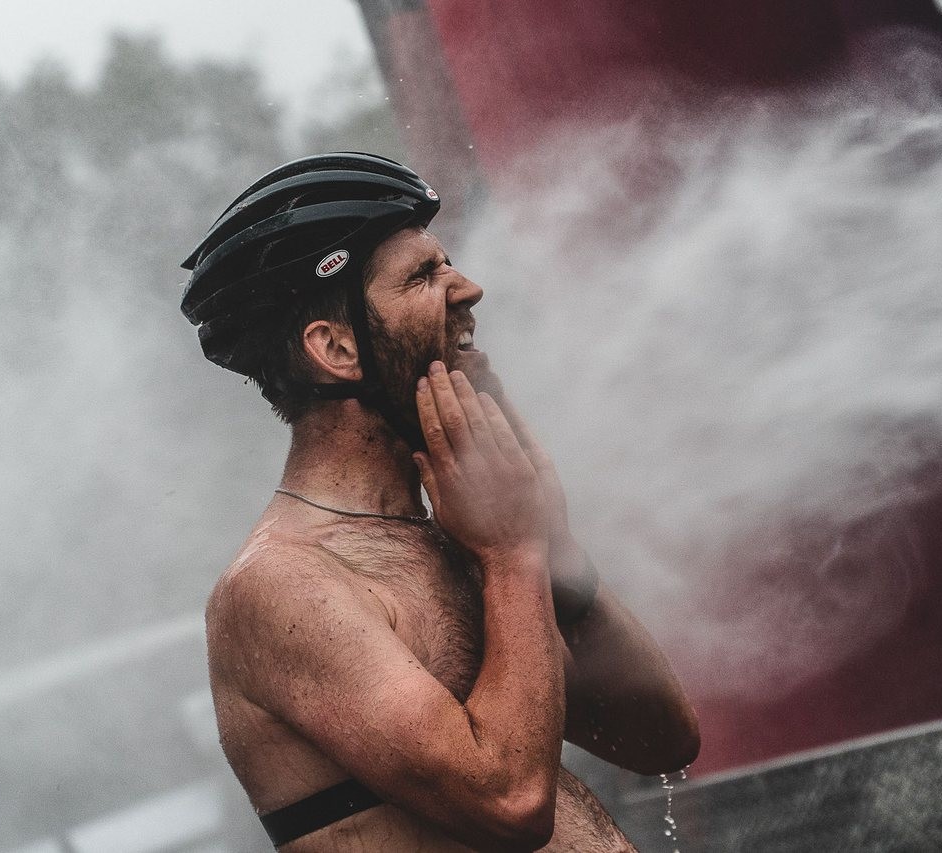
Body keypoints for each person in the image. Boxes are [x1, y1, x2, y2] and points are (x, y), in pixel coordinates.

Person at [180, 152, 700, 851]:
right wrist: (514, 552)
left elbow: (661, 740)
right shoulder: (282, 585)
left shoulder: (456, 538)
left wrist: (558, 555)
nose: (470, 289)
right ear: (335, 347)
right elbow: (510, 799)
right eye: (425, 276)